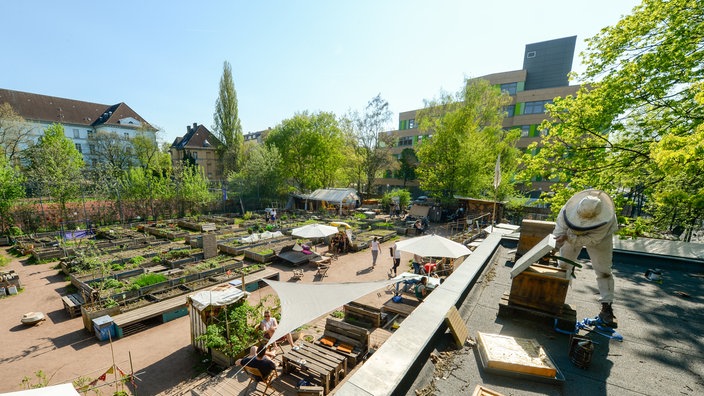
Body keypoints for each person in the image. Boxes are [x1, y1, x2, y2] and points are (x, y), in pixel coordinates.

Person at [553, 189, 619, 328]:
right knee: (564, 266)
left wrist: (569, 238)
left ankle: (607, 308)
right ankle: (556, 299)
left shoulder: (606, 221)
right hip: (570, 232)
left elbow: (591, 240)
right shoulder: (566, 211)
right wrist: (556, 243)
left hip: (600, 238)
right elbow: (559, 231)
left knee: (603, 271)